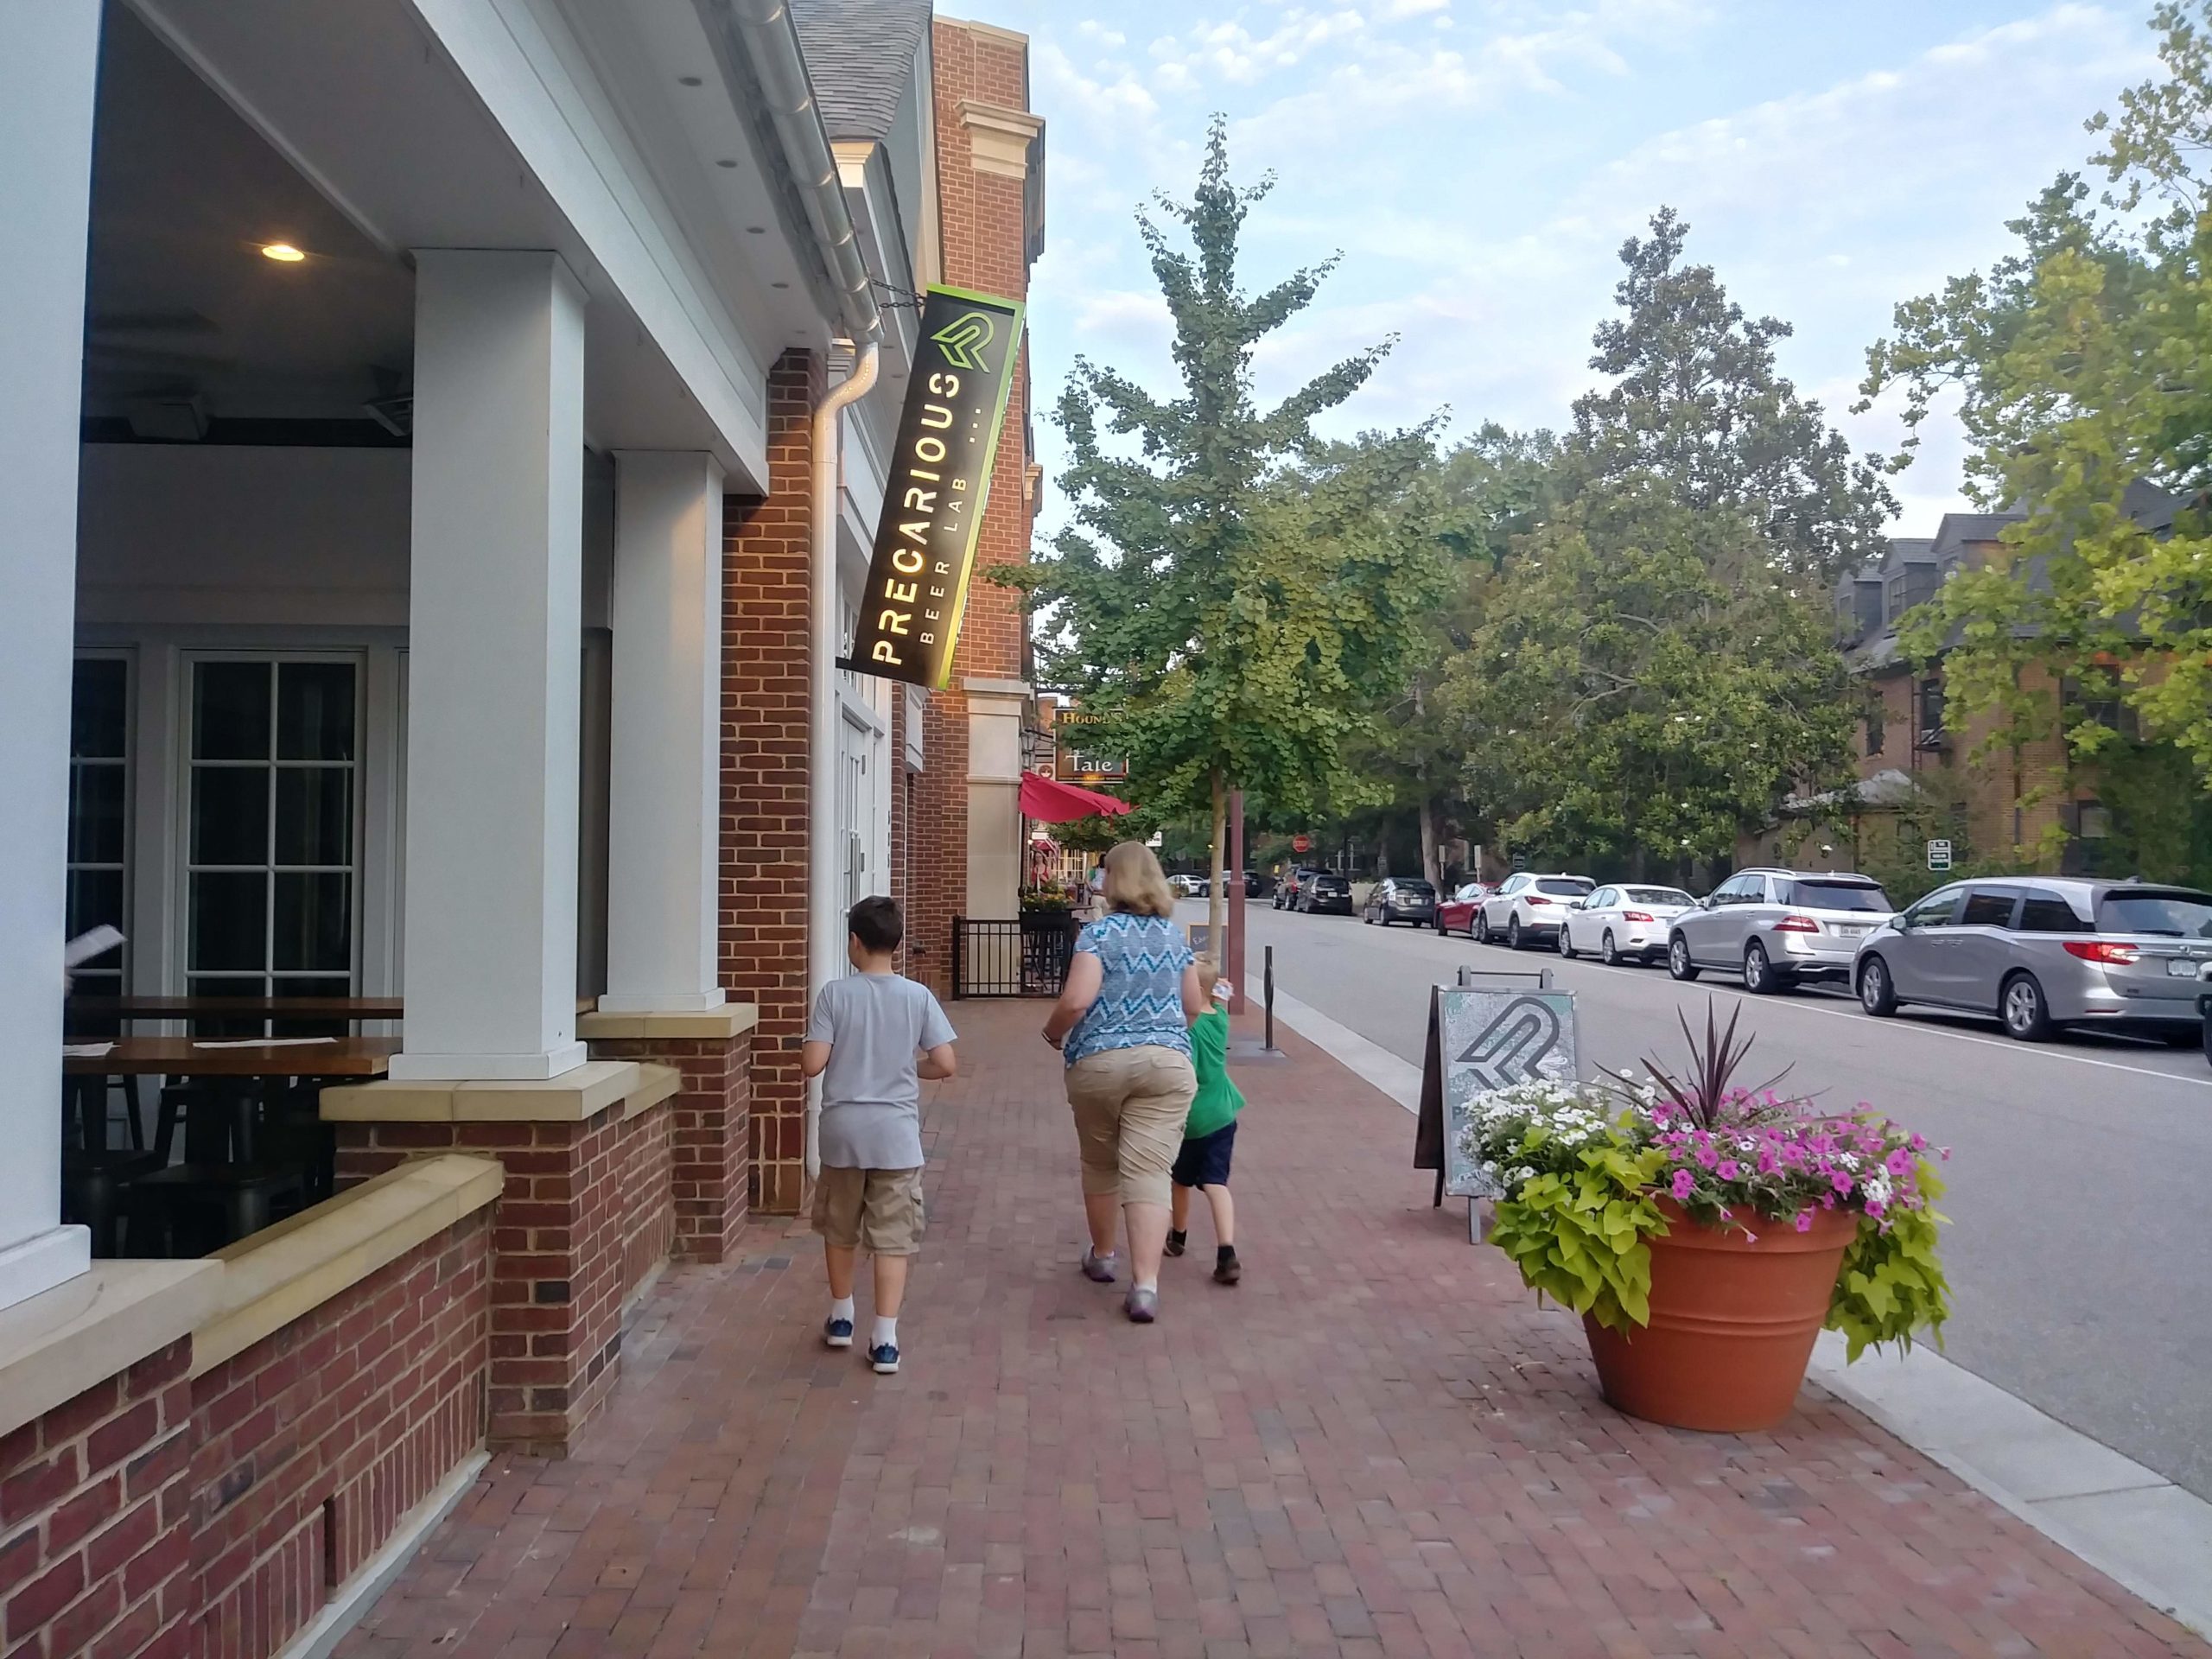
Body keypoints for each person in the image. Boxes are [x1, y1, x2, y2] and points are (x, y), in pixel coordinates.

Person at [1042, 841, 1209, 1323]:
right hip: (1167, 1066)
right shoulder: (1174, 939)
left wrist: (1053, 1034)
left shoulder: (1098, 935)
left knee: (1100, 1161)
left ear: (1111, 880)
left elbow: (1076, 1001)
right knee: (1151, 1171)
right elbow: (1193, 1008)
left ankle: (1103, 1255)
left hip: (1099, 1062)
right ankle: (1146, 1286)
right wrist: (1162, 1037)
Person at [800, 895, 957, 1376]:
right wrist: (909, 1067)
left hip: (843, 1131)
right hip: (895, 1134)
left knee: (840, 1225)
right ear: (898, 943)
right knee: (892, 1237)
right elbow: (946, 1064)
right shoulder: (917, 997)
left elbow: (812, 1064)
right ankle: (885, 1337)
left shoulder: (834, 994)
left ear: (854, 942)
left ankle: (842, 1314)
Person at [1167, 956, 1243, 1285]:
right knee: (1216, 1183)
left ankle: (1178, 1237)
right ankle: (1226, 1251)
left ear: (1194, 988)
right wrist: (1217, 986)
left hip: (1194, 1118)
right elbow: (1223, 993)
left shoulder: (1190, 1028)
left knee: (1181, 1180)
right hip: (1224, 1113)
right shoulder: (1219, 1019)